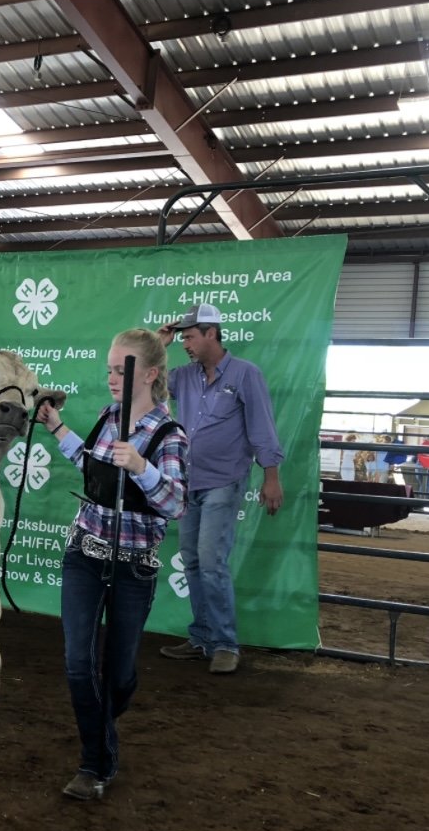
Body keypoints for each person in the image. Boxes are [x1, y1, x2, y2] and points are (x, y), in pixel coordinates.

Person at [35, 328, 187, 801]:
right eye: (109, 370)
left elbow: (176, 503)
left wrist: (142, 468)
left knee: (117, 676)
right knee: (79, 663)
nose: (112, 379)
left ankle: (102, 724)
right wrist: (56, 426)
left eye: (122, 370)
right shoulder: (107, 417)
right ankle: (95, 763)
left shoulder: (169, 435)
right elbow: (91, 466)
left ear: (151, 373)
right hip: (85, 553)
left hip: (134, 568)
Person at [154, 303, 284, 675]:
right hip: (188, 481)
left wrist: (271, 476)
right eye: (182, 339)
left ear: (211, 333)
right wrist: (158, 346)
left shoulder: (245, 374)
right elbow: (148, 383)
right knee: (194, 561)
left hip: (224, 481)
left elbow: (261, 426)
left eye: (190, 337)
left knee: (210, 561)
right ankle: (203, 638)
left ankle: (225, 644)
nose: (185, 345)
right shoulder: (183, 376)